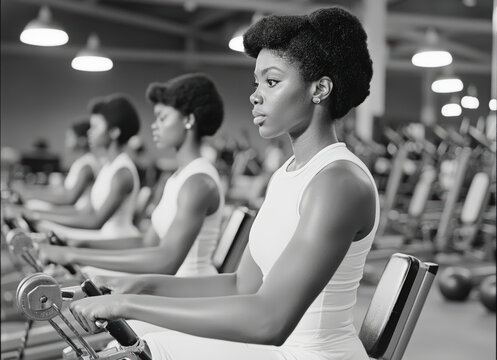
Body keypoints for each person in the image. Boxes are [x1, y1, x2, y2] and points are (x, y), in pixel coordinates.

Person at [69, 7, 377, 360]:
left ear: (319, 89)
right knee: (123, 349)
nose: (255, 95)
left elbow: (269, 320)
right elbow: (241, 284)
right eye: (256, 83)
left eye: (272, 82)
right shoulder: (288, 173)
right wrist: (139, 284)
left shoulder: (338, 182)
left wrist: (130, 305)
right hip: (274, 350)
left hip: (311, 355)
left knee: (133, 351)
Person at [39, 73, 225, 277]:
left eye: (162, 118)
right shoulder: (176, 178)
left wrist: (74, 255)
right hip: (168, 286)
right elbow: (147, 243)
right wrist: (80, 244)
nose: (155, 125)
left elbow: (165, 262)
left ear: (189, 119)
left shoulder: (198, 182)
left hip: (190, 291)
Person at [30, 94, 142, 248]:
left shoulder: (122, 173)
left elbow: (95, 221)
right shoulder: (108, 166)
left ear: (114, 132)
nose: (89, 132)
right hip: (100, 236)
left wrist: (36, 215)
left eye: (95, 127)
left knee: (43, 236)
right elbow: (84, 212)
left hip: (114, 242)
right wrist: (37, 214)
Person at [14, 119, 100, 212]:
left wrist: (31, 194)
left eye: (70, 137)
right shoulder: (81, 162)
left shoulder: (86, 166)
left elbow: (69, 199)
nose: (66, 141)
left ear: (82, 140)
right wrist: (32, 191)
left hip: (75, 212)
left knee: (27, 207)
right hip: (71, 209)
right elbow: (63, 192)